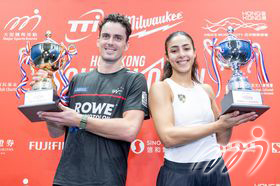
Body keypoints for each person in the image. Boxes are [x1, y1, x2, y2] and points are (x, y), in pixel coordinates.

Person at [34, 13, 150, 186]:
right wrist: (49, 103)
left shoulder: (134, 80)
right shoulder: (78, 80)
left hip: (107, 180)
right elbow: (56, 133)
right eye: (106, 36)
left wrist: (79, 120)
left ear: (126, 45)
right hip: (66, 179)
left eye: (118, 38)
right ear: (98, 41)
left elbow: (129, 130)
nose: (110, 42)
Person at [148, 31, 258, 186]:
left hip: (216, 170)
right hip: (180, 174)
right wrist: (218, 125)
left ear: (194, 53)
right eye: (174, 50)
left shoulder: (206, 89)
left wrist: (230, 115)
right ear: (167, 57)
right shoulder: (162, 88)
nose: (181, 54)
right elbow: (168, 138)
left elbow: (222, 139)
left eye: (186, 48)